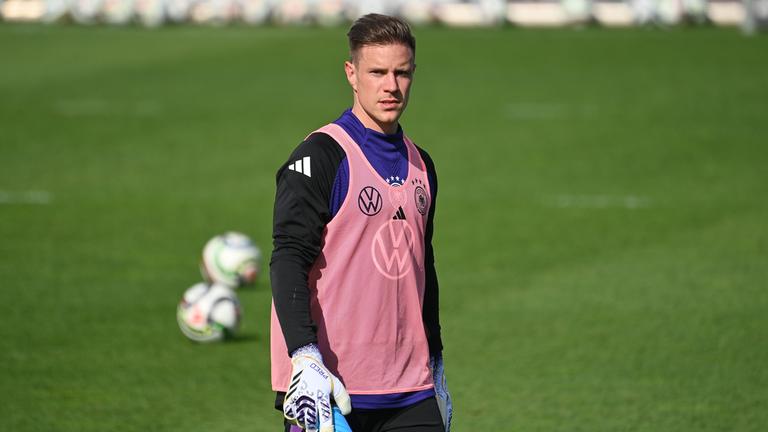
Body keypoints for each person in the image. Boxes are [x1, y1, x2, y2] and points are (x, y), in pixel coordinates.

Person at [270, 13, 452, 432]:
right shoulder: (320, 156)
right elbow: (288, 259)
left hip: (411, 389)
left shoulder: (422, 165)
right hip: (328, 388)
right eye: (377, 72)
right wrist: (304, 355)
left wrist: (437, 359)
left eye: (402, 73)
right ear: (351, 74)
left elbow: (423, 268)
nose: (391, 86)